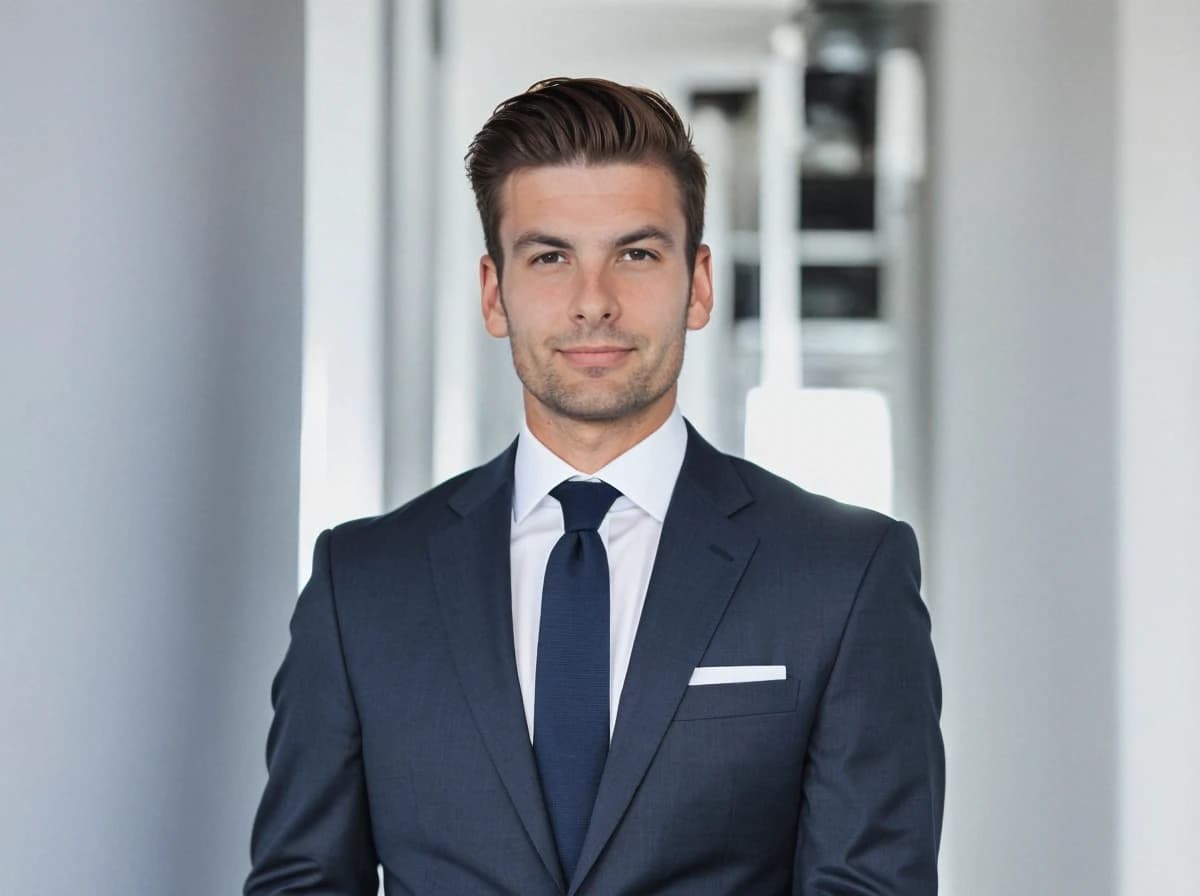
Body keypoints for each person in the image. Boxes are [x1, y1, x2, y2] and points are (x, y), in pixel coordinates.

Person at [245, 77, 944, 896]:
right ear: (493, 293)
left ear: (700, 283)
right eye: (549, 258)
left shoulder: (843, 574)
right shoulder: (359, 583)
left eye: (636, 254)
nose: (593, 303)